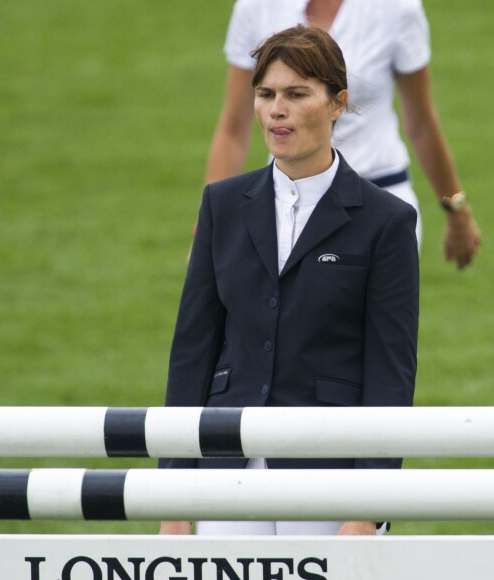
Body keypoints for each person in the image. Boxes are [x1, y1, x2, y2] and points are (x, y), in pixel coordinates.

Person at [160, 24, 419, 536]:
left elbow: (392, 372)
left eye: (296, 94)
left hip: (330, 477)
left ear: (337, 103)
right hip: (225, 468)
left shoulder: (387, 221)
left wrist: (369, 507)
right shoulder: (222, 205)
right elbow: (192, 351)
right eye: (266, 94)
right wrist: (171, 495)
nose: (277, 109)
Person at [203, 0, 480, 268]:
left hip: (380, 201)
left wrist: (457, 210)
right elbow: (233, 128)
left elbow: (421, 123)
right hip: (285, 203)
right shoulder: (255, 6)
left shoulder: (399, 7)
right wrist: (207, 229)